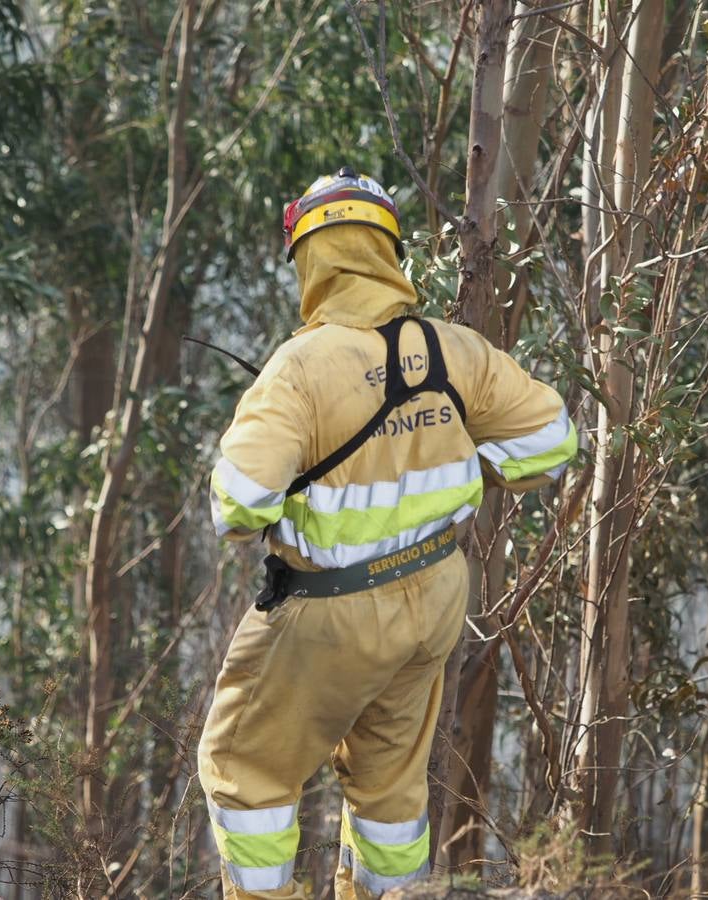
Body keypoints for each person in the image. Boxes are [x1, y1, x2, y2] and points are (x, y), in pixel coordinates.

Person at [198, 167, 578, 899]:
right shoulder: (453, 350)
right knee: (390, 791)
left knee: (244, 770)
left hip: (328, 612)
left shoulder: (300, 367)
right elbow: (552, 443)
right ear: (386, 251)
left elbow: (239, 506)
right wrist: (467, 471)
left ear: (309, 257)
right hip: (433, 601)